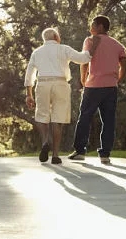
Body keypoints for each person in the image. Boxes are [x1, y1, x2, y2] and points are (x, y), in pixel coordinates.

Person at [24, 27, 100, 164]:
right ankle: (55, 155)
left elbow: (29, 74)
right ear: (55, 37)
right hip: (60, 84)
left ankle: (45, 141)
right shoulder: (64, 48)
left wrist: (28, 94)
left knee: (42, 116)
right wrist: (94, 45)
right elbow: (83, 58)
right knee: (57, 120)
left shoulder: (37, 52)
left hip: (43, 83)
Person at [68, 15, 126, 164]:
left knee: (85, 117)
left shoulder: (90, 41)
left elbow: (85, 61)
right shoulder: (117, 45)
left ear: (101, 26)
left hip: (93, 86)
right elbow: (124, 64)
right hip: (111, 87)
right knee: (109, 120)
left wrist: (83, 79)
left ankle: (80, 151)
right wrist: (118, 79)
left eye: (93, 25)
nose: (91, 28)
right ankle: (105, 154)